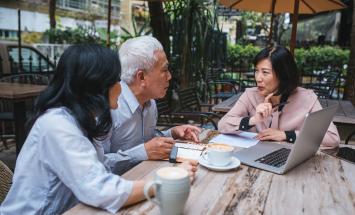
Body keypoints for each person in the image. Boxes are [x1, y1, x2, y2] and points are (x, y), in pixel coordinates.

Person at [0, 44, 197, 214]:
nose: (122, 87)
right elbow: (101, 189)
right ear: (95, 84)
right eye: (116, 80)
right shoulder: (57, 125)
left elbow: (101, 167)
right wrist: (166, 181)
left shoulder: (82, 120)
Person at [103, 36, 201, 173]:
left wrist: (172, 133)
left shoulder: (150, 103)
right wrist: (142, 153)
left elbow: (147, 141)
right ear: (141, 77)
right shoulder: (111, 106)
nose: (170, 76)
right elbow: (97, 164)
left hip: (148, 175)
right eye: (164, 70)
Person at [218, 46, 340, 149]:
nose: (258, 78)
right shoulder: (250, 94)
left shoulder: (307, 98)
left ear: (283, 74)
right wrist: (253, 120)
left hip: (290, 161)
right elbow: (223, 125)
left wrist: (286, 135)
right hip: (254, 159)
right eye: (256, 71)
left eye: (265, 72)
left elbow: (332, 138)